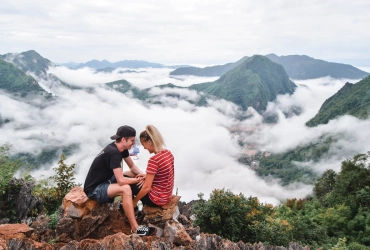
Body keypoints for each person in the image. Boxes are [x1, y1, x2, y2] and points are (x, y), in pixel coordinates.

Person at [83, 125, 155, 236]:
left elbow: (132, 167)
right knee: (125, 188)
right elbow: (121, 181)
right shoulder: (113, 153)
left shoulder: (121, 149)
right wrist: (137, 181)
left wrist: (145, 177)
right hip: (94, 189)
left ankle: (130, 209)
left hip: (107, 180)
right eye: (132, 140)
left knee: (132, 174)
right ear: (123, 139)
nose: (134, 143)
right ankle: (135, 228)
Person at [130, 125, 175, 209]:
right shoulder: (168, 153)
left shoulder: (154, 160)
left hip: (155, 200)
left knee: (128, 182)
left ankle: (132, 208)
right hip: (166, 197)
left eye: (143, 144)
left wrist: (135, 201)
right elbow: (165, 174)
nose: (143, 147)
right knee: (138, 179)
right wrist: (147, 176)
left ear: (149, 142)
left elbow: (146, 188)